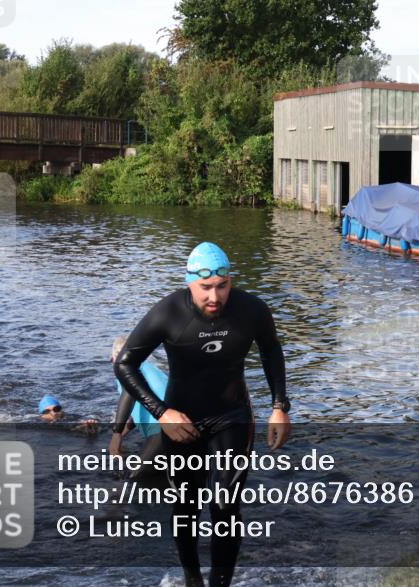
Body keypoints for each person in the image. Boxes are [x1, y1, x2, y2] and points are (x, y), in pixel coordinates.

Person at [114, 242, 290, 587]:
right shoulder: (168, 312)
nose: (214, 296)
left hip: (232, 415)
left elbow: (271, 350)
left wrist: (279, 407)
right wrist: (162, 413)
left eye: (222, 286)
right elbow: (125, 364)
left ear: (230, 281)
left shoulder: (251, 309)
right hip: (181, 420)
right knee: (186, 505)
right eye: (205, 287)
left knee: (225, 505)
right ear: (189, 283)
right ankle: (193, 578)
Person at [109, 335, 168, 475]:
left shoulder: (128, 371)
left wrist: (116, 435)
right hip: (182, 426)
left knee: (134, 476)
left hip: (163, 431)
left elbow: (129, 395)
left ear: (113, 359)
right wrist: (123, 433)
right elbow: (142, 406)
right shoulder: (150, 369)